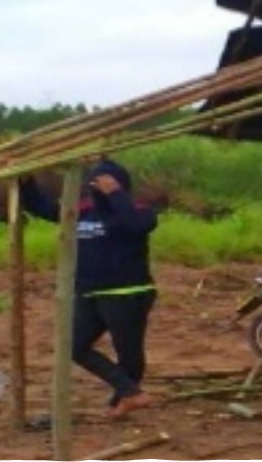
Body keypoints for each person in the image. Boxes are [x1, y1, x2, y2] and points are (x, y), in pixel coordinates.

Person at [19, 158, 158, 419]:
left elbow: (137, 225)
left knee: (128, 353)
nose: (97, 188)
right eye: (94, 183)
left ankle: (122, 400)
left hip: (127, 293)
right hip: (88, 292)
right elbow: (43, 208)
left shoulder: (137, 210)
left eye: (103, 183)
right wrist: (26, 183)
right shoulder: (83, 210)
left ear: (120, 185)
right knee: (74, 345)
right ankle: (130, 392)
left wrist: (115, 194)